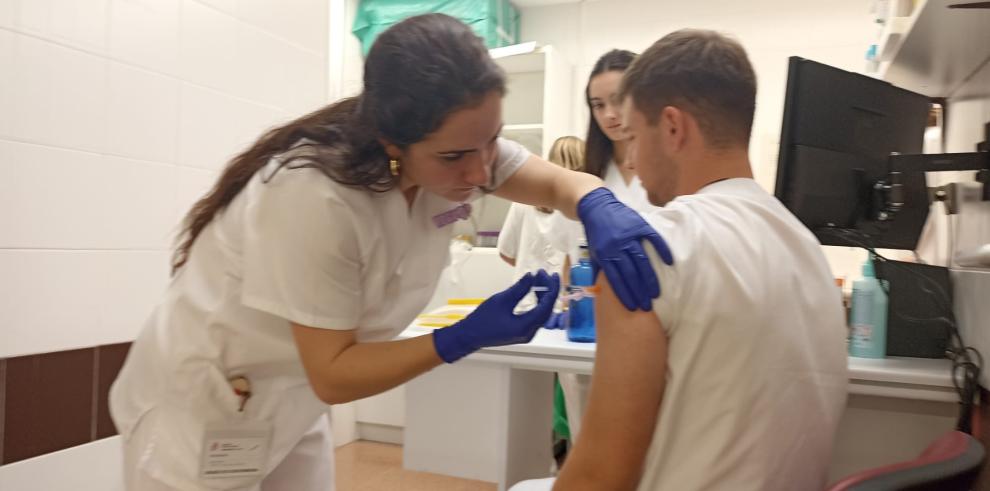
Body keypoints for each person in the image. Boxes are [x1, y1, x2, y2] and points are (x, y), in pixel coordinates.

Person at [109, 14, 672, 491]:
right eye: (454, 158)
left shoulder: (462, 143)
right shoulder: (312, 196)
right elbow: (334, 373)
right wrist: (462, 337)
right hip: (204, 401)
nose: (481, 173)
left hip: (292, 403)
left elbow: (556, 186)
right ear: (390, 142)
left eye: (490, 143)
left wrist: (599, 204)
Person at [514, 29, 849, 491]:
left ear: (673, 128)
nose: (629, 160)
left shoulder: (648, 249)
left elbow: (600, 477)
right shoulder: (805, 246)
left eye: (631, 136)